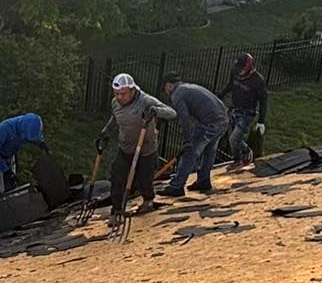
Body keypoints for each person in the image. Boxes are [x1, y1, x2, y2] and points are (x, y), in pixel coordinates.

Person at [97, 73, 176, 221]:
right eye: (117, 94)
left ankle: (148, 201)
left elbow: (172, 113)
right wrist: (105, 131)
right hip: (125, 147)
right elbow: (115, 117)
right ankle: (117, 210)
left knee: (144, 178)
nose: (120, 97)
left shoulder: (145, 101)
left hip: (146, 148)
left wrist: (155, 111)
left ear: (132, 90)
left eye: (123, 94)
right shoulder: (115, 102)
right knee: (117, 176)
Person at [161, 74, 229, 195]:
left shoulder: (177, 94)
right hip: (222, 119)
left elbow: (184, 119)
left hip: (210, 122)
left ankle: (177, 186)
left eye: (165, 89)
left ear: (169, 85)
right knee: (209, 150)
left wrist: (187, 141)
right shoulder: (188, 88)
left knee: (190, 153)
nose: (166, 92)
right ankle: (203, 180)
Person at [0, 112, 45, 195]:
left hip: (8, 157)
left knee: (11, 189)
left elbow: (34, 137)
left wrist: (41, 144)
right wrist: (6, 170)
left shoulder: (27, 126)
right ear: (23, 128)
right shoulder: (5, 128)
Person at [224, 51, 269, 169]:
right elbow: (230, 85)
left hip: (248, 112)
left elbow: (263, 101)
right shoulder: (234, 70)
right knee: (232, 138)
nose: (239, 72)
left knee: (234, 138)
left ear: (248, 68)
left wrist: (261, 121)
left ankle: (247, 152)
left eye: (242, 69)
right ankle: (237, 160)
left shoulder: (257, 80)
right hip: (235, 108)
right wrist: (219, 96)